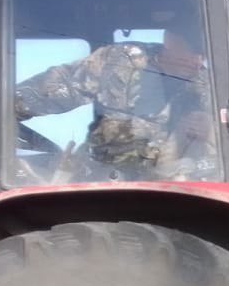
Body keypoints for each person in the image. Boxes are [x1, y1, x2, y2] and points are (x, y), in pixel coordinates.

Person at [14, 26, 215, 180]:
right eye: (193, 49)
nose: (197, 61)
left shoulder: (205, 86)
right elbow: (42, 93)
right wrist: (4, 112)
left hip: (168, 188)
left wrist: (211, 131)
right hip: (100, 183)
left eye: (203, 54)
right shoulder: (121, 62)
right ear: (170, 39)